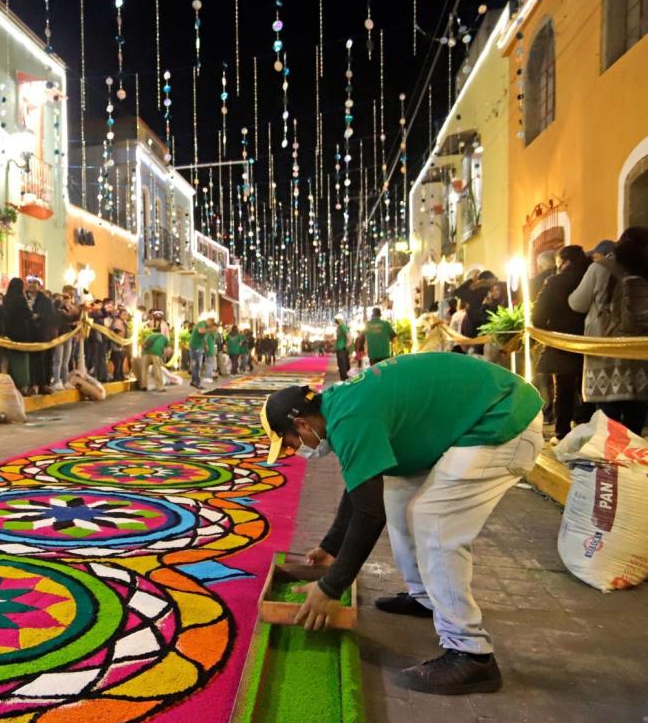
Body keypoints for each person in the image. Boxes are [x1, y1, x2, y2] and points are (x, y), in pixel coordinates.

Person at [260, 354, 544, 694]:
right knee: (395, 494)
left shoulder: (350, 419)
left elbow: (368, 515)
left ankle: (471, 654)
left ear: (302, 424)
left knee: (433, 519)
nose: (297, 451)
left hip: (503, 419)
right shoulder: (338, 406)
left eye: (291, 445)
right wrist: (332, 546)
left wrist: (330, 588)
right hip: (483, 412)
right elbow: (362, 487)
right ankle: (426, 597)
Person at [568, 227, 648, 435]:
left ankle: (611, 462)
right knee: (635, 421)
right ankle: (633, 460)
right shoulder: (644, 267)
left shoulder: (600, 267)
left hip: (605, 350)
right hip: (639, 354)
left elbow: (578, 303)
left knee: (607, 421)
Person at [535, 245, 592, 441]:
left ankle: (562, 433)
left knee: (563, 389)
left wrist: (547, 330)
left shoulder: (554, 282)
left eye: (558, 263)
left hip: (561, 342)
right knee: (588, 389)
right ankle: (589, 430)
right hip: (592, 341)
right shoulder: (590, 277)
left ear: (565, 262)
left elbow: (538, 316)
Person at [25, 277, 57, 395]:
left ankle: (43, 384)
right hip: (28, 334)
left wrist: (38, 316)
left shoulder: (46, 301)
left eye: (35, 283)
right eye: (30, 282)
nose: (32, 285)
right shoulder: (24, 297)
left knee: (43, 360)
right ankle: (31, 384)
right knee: (30, 361)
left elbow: (50, 316)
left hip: (42, 334)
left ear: (40, 286)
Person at [2, 278, 34, 392]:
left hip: (8, 332)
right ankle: (22, 385)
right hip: (21, 333)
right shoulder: (20, 299)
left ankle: (11, 384)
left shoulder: (6, 299)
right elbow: (28, 315)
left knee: (10, 359)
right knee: (21, 360)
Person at [143, 326, 170, 392]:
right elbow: (167, 350)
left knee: (144, 369)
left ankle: (144, 386)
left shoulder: (149, 336)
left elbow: (144, 345)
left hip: (146, 352)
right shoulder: (163, 337)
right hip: (156, 352)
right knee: (157, 369)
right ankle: (160, 387)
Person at [188, 318, 208, 388]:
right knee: (197, 366)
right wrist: (209, 329)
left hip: (195, 348)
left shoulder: (203, 326)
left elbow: (203, 338)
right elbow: (201, 331)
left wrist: (206, 346)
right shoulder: (202, 323)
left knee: (194, 365)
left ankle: (193, 381)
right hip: (196, 348)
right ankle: (197, 383)